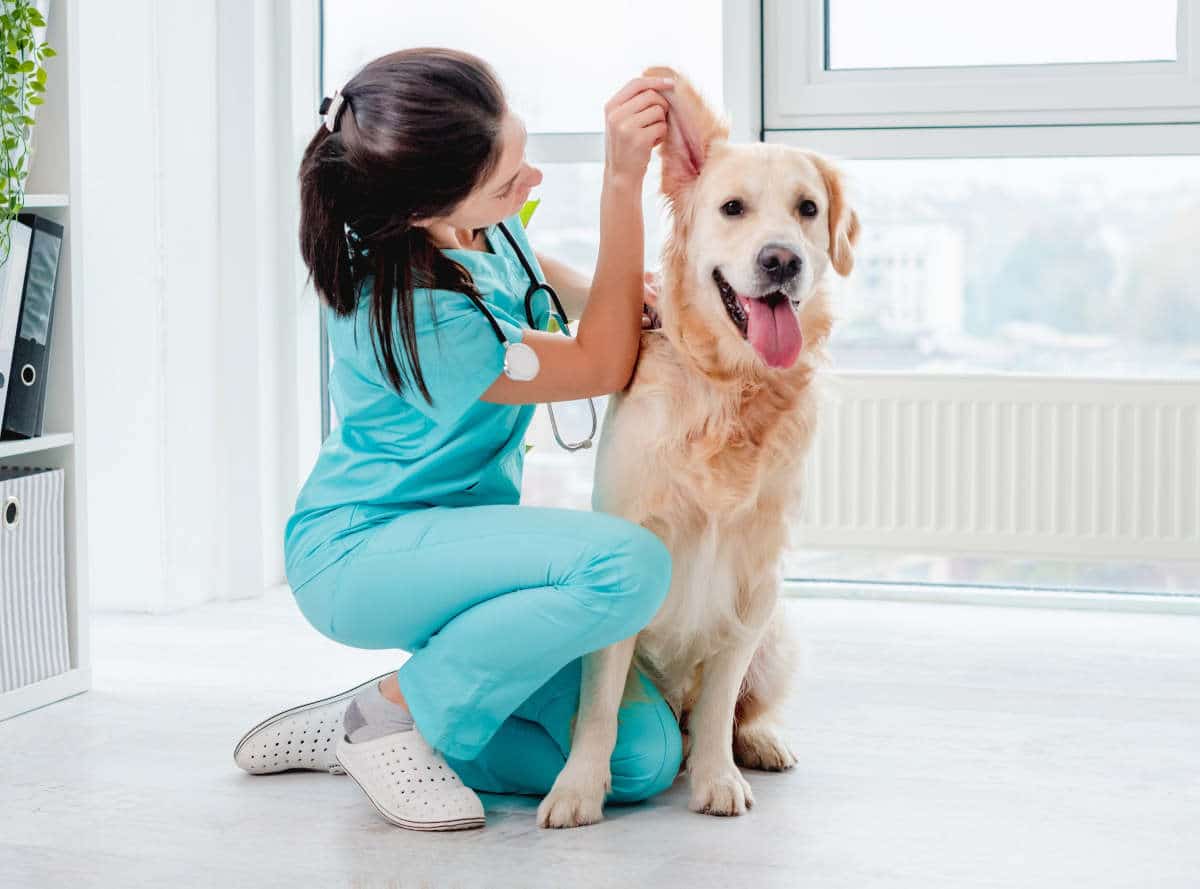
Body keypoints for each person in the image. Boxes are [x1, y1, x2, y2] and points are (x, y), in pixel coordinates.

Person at [232, 46, 679, 832]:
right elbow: (603, 363)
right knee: (629, 564)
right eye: (509, 181)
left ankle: (385, 721)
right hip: (363, 553)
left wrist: (610, 291)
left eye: (522, 150)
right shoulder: (413, 308)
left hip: (463, 551)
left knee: (641, 759)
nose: (530, 184)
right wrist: (620, 182)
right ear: (420, 210)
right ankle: (389, 714)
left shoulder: (467, 222)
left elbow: (524, 264)